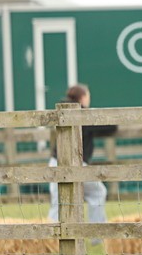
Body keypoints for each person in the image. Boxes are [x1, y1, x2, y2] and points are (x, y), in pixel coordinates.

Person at [48, 84, 116, 224]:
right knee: (98, 192)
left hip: (56, 162)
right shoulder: (83, 115)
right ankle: (97, 232)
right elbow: (111, 126)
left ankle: (50, 237)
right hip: (77, 164)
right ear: (83, 97)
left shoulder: (61, 112)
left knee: (58, 200)